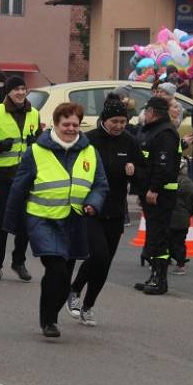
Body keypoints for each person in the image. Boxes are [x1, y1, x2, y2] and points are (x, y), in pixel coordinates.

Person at [5, 101, 107, 337]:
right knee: (57, 270)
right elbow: (19, 188)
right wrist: (10, 223)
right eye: (66, 124)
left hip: (75, 221)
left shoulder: (89, 151)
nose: (71, 129)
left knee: (63, 278)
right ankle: (48, 320)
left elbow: (100, 184)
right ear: (56, 124)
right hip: (43, 219)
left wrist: (93, 202)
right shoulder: (37, 151)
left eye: (75, 124)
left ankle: (50, 314)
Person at [66, 94, 141, 324]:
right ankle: (75, 289)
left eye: (123, 121)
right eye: (114, 121)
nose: (119, 126)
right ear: (104, 120)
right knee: (99, 255)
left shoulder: (129, 141)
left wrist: (134, 171)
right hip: (91, 208)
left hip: (116, 209)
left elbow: (143, 169)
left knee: (105, 262)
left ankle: (88, 306)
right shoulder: (88, 140)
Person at [0, 75, 40, 281]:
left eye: (23, 89)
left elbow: (40, 143)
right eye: (16, 89)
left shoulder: (33, 113)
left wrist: (37, 141)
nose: (20, 92)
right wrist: (0, 145)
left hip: (26, 176)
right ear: (8, 92)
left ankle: (19, 262)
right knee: (2, 222)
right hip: (3, 176)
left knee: (26, 222)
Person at [135, 97, 181, 295]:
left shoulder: (165, 133)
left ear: (153, 112)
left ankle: (160, 280)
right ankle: (153, 275)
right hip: (150, 191)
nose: (144, 114)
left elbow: (163, 165)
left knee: (159, 235)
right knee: (154, 235)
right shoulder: (153, 130)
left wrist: (154, 188)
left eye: (146, 111)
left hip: (161, 193)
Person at [169, 159, 193, 276]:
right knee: (180, 242)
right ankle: (181, 265)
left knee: (168, 241)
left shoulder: (169, 180)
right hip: (183, 218)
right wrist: (188, 213)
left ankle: (166, 261)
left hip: (169, 217)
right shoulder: (189, 183)